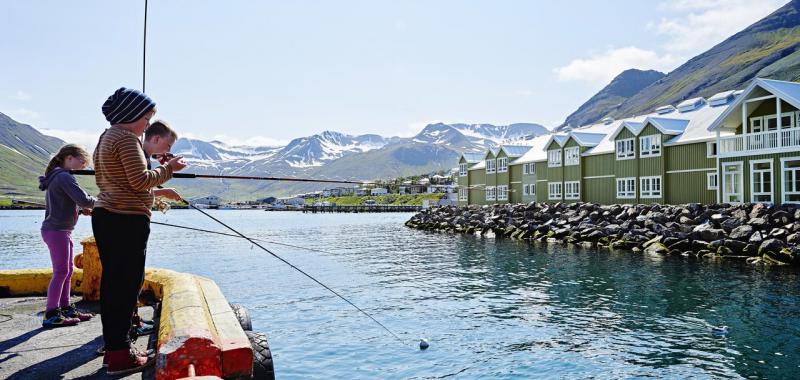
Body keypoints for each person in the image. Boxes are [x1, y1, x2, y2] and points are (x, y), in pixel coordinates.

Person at [92, 87, 186, 375]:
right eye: (146, 118)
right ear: (131, 115)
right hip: (126, 222)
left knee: (114, 286)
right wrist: (169, 169)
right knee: (125, 287)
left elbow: (121, 180)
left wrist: (155, 171)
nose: (147, 124)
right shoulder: (127, 139)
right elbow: (139, 181)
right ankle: (120, 357)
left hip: (107, 217)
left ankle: (115, 351)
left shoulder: (107, 138)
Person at [39, 144, 96, 328]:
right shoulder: (64, 176)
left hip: (60, 230)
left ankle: (65, 307)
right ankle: (51, 313)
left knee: (67, 271)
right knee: (61, 272)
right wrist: (103, 202)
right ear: (69, 158)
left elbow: (65, 203)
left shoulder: (58, 175)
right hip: (57, 231)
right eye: (82, 162)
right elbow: (83, 199)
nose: (83, 166)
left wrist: (80, 211)